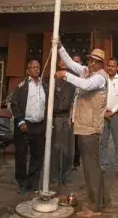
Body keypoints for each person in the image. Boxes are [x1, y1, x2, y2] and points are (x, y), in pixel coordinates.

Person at [55, 43, 111, 217]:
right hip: (83, 126)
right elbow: (71, 63)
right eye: (91, 60)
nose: (92, 64)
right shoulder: (87, 71)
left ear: (101, 64)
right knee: (92, 167)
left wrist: (65, 75)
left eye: (96, 62)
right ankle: (101, 200)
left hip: (90, 129)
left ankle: (94, 207)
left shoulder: (100, 78)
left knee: (91, 168)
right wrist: (60, 47)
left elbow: (85, 85)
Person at [8, 59, 48, 195]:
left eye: (38, 67)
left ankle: (33, 183)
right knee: (21, 156)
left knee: (37, 156)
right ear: (28, 70)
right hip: (24, 126)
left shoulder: (44, 86)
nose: (36, 69)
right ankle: (22, 183)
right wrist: (21, 121)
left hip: (39, 126)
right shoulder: (22, 86)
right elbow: (14, 103)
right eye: (33, 67)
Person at [50, 56, 77, 188]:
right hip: (56, 118)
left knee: (68, 150)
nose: (63, 63)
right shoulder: (52, 78)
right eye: (61, 61)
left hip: (68, 118)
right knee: (55, 148)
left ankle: (65, 176)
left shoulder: (72, 80)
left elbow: (75, 100)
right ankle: (54, 176)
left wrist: (73, 117)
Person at [100, 58, 118, 175]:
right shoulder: (102, 79)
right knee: (102, 141)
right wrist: (103, 111)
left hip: (116, 115)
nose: (110, 68)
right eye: (108, 65)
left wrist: (113, 111)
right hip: (103, 115)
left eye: (113, 66)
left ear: (117, 68)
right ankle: (103, 164)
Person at [71, 53, 84, 170]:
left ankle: (76, 161)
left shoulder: (84, 76)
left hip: (80, 111)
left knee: (77, 138)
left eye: (77, 61)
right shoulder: (68, 76)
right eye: (73, 61)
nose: (75, 64)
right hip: (69, 111)